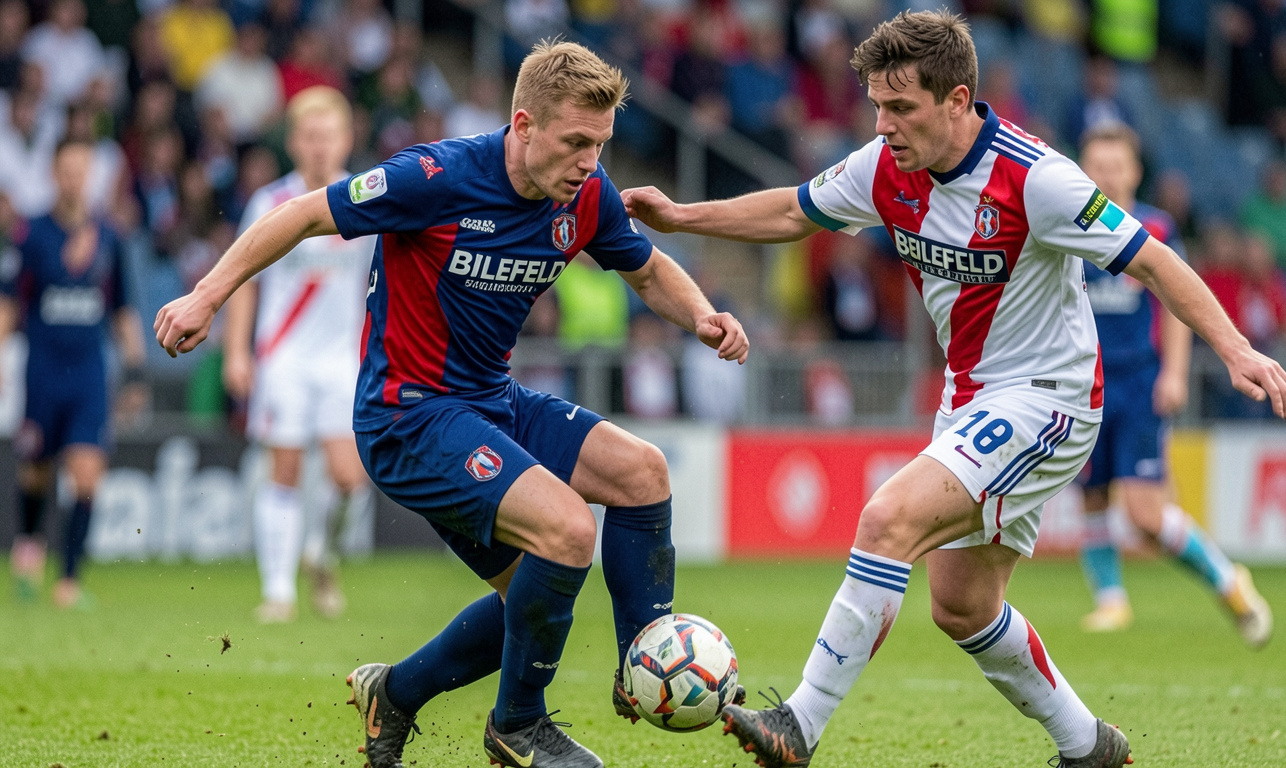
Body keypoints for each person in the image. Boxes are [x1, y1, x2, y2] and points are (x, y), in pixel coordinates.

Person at [621, 11, 1286, 768]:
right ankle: (1089, 746)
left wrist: (1235, 349)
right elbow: (791, 209)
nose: (883, 124)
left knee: (885, 522)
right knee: (963, 605)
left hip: (1048, 400)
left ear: (958, 99)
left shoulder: (1037, 179)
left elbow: (1153, 261)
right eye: (876, 105)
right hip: (970, 401)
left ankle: (798, 725)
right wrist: (681, 217)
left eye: (900, 107)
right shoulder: (884, 167)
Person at [154, 40, 749, 768]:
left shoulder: (584, 196)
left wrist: (702, 317)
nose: (590, 163)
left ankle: (631, 663)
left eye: (600, 144)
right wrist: (206, 295)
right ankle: (517, 726)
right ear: (524, 125)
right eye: (575, 144)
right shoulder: (435, 177)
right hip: (408, 416)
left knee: (640, 477)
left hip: (490, 401)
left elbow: (647, 269)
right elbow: (305, 214)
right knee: (563, 534)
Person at [1073, 123, 1272, 644]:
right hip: (1082, 383)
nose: (1108, 174)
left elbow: (1178, 305)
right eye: (1098, 164)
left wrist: (1175, 372)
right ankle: (1111, 603)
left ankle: (1228, 580)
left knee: (1143, 514)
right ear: (1084, 169)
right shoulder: (1070, 227)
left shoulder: (1156, 229)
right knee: (1091, 495)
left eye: (1116, 165)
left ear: (1134, 171)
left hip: (1140, 381)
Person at [222, 86, 376, 624]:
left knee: (349, 479)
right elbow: (243, 279)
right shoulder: (268, 204)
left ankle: (322, 555)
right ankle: (279, 590)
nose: (318, 146)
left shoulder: (366, 200)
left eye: (327, 136)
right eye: (309, 137)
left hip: (341, 361)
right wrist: (236, 352)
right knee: (282, 469)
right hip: (282, 357)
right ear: (293, 142)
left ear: (346, 139)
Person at [2, 137, 146, 608]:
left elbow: (122, 307)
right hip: (42, 371)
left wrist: (137, 367)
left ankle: (67, 580)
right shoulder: (31, 233)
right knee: (37, 472)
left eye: (82, 170)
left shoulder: (109, 235)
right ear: (53, 174)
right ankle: (28, 546)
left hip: (88, 372)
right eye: (66, 170)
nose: (74, 178)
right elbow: (9, 302)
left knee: (86, 473)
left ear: (91, 176)